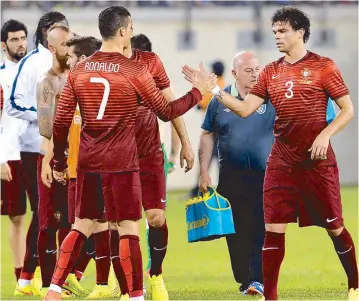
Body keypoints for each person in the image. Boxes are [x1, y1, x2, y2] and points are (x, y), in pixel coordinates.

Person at [183, 6, 358, 301]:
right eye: (274, 31)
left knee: (334, 226)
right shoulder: (271, 72)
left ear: (300, 32)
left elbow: (348, 109)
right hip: (282, 162)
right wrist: (214, 90)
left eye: (282, 31)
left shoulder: (323, 66)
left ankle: (354, 284)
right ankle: (270, 296)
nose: (276, 36)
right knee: (273, 228)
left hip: (316, 162)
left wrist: (325, 135)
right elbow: (244, 108)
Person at [43, 5, 216, 301]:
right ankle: (135, 295)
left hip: (88, 161)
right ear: (123, 31)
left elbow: (60, 121)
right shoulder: (134, 70)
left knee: (82, 225)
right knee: (127, 228)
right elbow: (165, 110)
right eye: (131, 28)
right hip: (121, 162)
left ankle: (55, 289)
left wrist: (59, 160)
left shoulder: (80, 69)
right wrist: (199, 91)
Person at [41, 35, 113, 299]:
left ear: (83, 59)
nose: (66, 61)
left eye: (70, 56)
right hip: (76, 171)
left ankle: (75, 283)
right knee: (86, 226)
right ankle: (75, 281)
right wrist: (52, 161)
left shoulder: (101, 89)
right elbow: (58, 129)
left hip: (96, 170)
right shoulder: (69, 88)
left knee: (95, 226)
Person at [199, 51, 275, 296]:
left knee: (260, 229)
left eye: (257, 69)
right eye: (248, 70)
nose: (255, 75)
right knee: (235, 232)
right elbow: (207, 134)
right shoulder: (217, 102)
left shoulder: (268, 99)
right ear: (234, 73)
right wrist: (202, 171)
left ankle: (257, 280)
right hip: (231, 177)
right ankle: (245, 278)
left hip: (265, 176)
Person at [124, 33, 194, 300]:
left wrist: (181, 147)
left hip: (152, 155)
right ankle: (128, 285)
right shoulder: (112, 73)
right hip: (118, 157)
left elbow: (171, 111)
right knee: (122, 225)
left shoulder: (157, 78)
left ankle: (156, 275)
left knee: (156, 218)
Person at [5, 11, 69, 296]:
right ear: (46, 32)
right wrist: (45, 117)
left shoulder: (68, 61)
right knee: (45, 217)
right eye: (60, 29)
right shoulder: (32, 62)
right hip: (34, 149)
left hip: (63, 148)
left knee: (60, 216)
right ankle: (42, 282)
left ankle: (39, 278)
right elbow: (13, 105)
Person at [36, 24, 75, 297]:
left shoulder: (78, 76)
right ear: (52, 48)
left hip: (75, 160)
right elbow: (48, 130)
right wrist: (52, 162)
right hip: (52, 159)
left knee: (71, 224)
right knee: (49, 224)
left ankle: (61, 282)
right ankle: (48, 283)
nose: (69, 48)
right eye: (64, 44)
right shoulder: (47, 83)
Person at [0, 19, 28, 284]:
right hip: (11, 156)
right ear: (3, 44)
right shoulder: (0, 76)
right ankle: (21, 275)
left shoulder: (36, 70)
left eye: (23, 38)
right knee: (17, 216)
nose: (20, 43)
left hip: (38, 152)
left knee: (49, 215)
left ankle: (42, 271)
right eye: (14, 39)